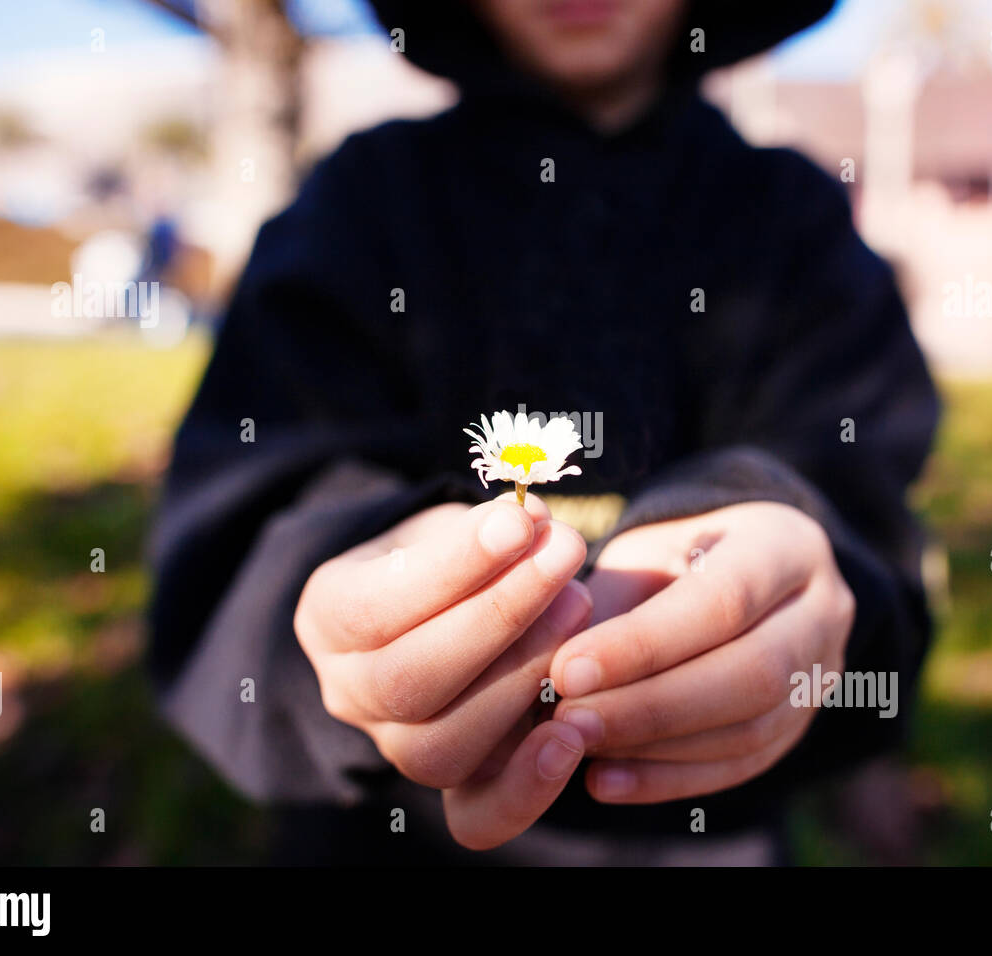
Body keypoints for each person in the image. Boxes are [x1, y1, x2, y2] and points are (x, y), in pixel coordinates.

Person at [148, 0, 939, 865]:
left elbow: (862, 512)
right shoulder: (360, 204)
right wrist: (339, 611)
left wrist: (812, 592)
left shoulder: (791, 219)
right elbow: (236, 533)